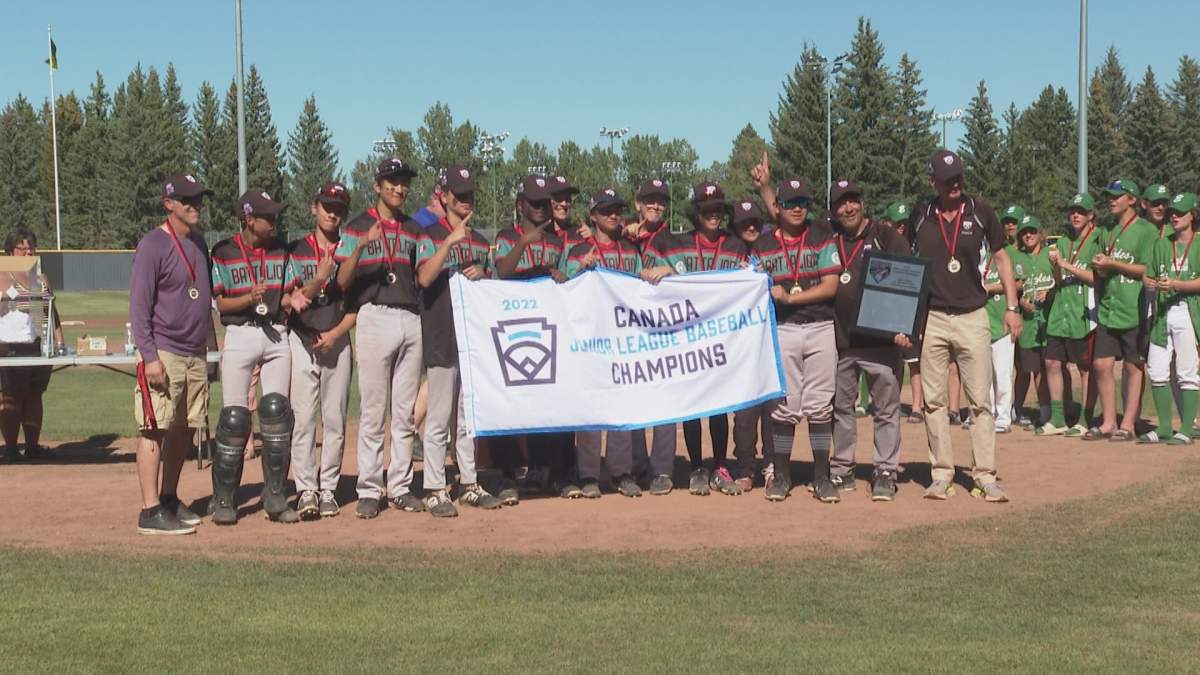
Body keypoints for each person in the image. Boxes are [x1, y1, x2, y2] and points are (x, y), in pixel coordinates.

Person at [905, 149, 1020, 502]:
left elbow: (1001, 257)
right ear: (932, 181)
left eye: (958, 177)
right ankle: (942, 474)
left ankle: (984, 475)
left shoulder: (981, 211)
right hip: (934, 317)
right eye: (946, 178)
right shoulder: (921, 215)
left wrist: (1013, 307)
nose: (954, 184)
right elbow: (908, 266)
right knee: (934, 401)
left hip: (973, 315)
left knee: (980, 401)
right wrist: (911, 318)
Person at [641, 181, 748, 496]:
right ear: (696, 213)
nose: (713, 215)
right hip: (686, 338)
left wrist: (748, 272)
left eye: (718, 210)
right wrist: (662, 269)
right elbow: (643, 272)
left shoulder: (736, 246)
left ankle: (719, 465)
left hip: (723, 338)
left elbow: (754, 278)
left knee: (718, 406)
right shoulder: (675, 244)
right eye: (706, 210)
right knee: (691, 404)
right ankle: (697, 466)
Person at [210, 189, 306, 526]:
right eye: (269, 217)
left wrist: (296, 298)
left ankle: (275, 495)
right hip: (240, 333)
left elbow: (291, 291)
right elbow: (221, 304)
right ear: (249, 219)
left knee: (277, 412)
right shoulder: (223, 251)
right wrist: (249, 298)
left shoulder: (281, 250)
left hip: (276, 333)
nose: (275, 222)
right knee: (235, 418)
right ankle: (224, 498)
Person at [334, 157, 423, 519]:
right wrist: (361, 246)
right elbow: (341, 282)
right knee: (373, 411)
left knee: (404, 413)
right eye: (391, 182)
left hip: (409, 316)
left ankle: (400, 486)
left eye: (403, 182)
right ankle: (370, 488)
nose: (399, 188)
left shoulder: (414, 228)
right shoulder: (357, 226)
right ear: (377, 186)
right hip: (373, 315)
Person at [414, 165, 504, 515]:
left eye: (469, 195)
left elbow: (490, 285)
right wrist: (448, 243)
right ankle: (435, 487)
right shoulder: (429, 233)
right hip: (439, 331)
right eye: (459, 194)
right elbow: (423, 277)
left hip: (471, 338)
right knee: (438, 415)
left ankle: (469, 482)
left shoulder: (480, 240)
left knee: (467, 417)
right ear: (444, 196)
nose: (465, 200)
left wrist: (483, 273)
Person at [127, 174, 213, 535]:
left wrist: (212, 351)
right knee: (154, 427)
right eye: (187, 200)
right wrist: (150, 357)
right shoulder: (153, 245)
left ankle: (168, 498)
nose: (195, 205)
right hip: (164, 351)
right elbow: (138, 307)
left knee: (183, 429)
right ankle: (149, 511)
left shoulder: (199, 244)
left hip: (194, 353)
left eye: (198, 199)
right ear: (169, 204)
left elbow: (204, 302)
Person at [749, 176, 840, 502]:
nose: (798, 209)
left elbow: (831, 286)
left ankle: (821, 476)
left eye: (803, 202)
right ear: (779, 206)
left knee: (819, 406)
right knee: (784, 408)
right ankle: (782, 476)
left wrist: (789, 298)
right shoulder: (762, 246)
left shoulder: (820, 236)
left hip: (819, 326)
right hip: (782, 330)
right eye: (790, 203)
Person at [826, 180, 910, 502]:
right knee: (841, 409)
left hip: (881, 343)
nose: (848, 208)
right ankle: (843, 468)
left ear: (862, 203)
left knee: (886, 410)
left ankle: (885, 470)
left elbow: (910, 279)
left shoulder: (886, 236)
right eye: (840, 204)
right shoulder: (829, 238)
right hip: (843, 342)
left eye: (852, 201)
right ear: (833, 210)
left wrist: (906, 327)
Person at [560, 188, 645, 498]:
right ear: (593, 215)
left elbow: (641, 292)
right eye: (606, 210)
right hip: (589, 341)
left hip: (622, 340)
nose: (613, 215)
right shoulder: (579, 251)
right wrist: (581, 270)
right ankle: (589, 474)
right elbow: (562, 290)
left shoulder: (631, 251)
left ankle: (622, 472)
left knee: (621, 408)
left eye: (617, 210)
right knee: (590, 409)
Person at [491, 174, 568, 502]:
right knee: (510, 403)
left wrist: (561, 276)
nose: (539, 208)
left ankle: (541, 469)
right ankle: (508, 474)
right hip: (512, 328)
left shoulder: (557, 240)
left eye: (544, 203)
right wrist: (525, 241)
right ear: (520, 204)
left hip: (546, 328)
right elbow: (503, 272)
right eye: (533, 203)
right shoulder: (507, 236)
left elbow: (565, 281)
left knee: (544, 401)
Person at [287, 182, 355, 520]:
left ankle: (328, 488)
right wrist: (320, 276)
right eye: (327, 205)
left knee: (334, 420)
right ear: (314, 207)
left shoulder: (351, 250)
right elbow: (292, 303)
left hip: (338, 341)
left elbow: (360, 303)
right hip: (302, 340)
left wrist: (337, 333)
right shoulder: (296, 250)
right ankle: (305, 490)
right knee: (303, 419)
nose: (333, 212)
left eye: (340, 207)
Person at [1085, 179, 1156, 442]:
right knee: (1101, 365)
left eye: (1117, 196)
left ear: (1132, 200)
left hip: (1134, 307)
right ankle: (1108, 422)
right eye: (1109, 196)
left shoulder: (1146, 230)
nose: (1111, 200)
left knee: (1133, 365)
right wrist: (1101, 266)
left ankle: (1128, 423)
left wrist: (1112, 263)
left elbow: (1147, 269)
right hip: (1109, 307)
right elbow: (1102, 270)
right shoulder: (1108, 231)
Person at [623, 178, 680, 495]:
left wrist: (671, 272)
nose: (656, 205)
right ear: (638, 204)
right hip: (629, 328)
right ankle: (634, 464)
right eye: (650, 200)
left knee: (664, 399)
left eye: (661, 201)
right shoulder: (624, 238)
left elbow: (695, 277)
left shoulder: (675, 240)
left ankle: (662, 469)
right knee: (631, 397)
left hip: (663, 331)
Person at [1140, 192, 1200, 444]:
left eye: (1180, 212)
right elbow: (1148, 274)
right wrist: (1151, 282)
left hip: (1188, 310)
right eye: (1172, 212)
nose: (1173, 216)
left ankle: (1186, 428)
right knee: (1156, 369)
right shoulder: (1163, 244)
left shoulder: (1198, 243)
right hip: (1163, 312)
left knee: (1186, 370)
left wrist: (1176, 284)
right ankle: (1165, 426)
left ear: (1193, 215)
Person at [1040, 193, 1101, 436]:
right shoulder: (1063, 241)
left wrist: (1065, 265)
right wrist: (1057, 268)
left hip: (1083, 313)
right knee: (1052, 362)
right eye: (1072, 211)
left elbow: (1097, 278)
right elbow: (1059, 279)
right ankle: (1057, 419)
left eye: (1080, 211)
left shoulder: (1098, 240)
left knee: (1085, 368)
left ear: (1090, 215)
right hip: (1060, 312)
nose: (1075, 215)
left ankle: (1085, 419)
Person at [0, 228, 63, 461]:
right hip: (11, 345)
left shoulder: (38, 276)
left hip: (39, 344)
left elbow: (50, 312)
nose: (27, 252)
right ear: (10, 251)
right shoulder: (3, 273)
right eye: (21, 248)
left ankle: (33, 446)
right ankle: (10, 448)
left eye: (30, 248)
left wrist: (58, 340)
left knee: (35, 394)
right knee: (11, 396)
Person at [728, 201, 775, 492]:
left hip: (772, 338)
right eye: (744, 222)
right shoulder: (728, 255)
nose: (751, 227)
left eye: (755, 222)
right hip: (739, 345)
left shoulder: (772, 249)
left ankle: (772, 465)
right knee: (744, 412)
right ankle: (745, 465)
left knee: (773, 408)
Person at [1012, 216, 1052, 429]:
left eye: (1032, 231)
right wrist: (1021, 302)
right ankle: (1040, 413)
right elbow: (1015, 288)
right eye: (1024, 232)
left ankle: (1054, 412)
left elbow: (1060, 281)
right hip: (1028, 324)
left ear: (1040, 234)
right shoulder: (1018, 258)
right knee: (1033, 369)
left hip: (1051, 320)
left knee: (1052, 367)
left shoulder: (1050, 254)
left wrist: (1051, 293)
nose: (1028, 235)